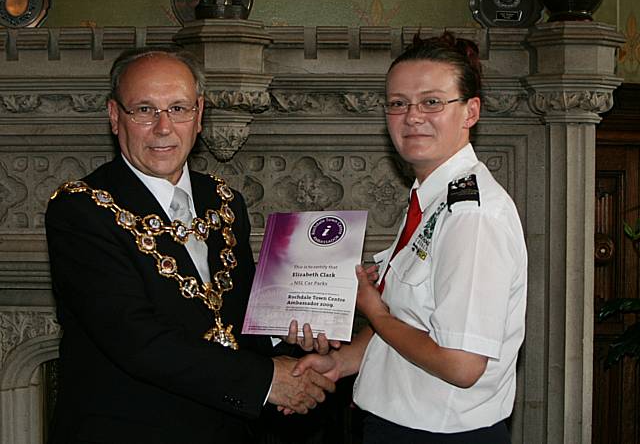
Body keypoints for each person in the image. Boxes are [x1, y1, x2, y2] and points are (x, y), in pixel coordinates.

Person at [45, 46, 335, 444]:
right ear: (115, 116)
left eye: (178, 108)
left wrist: (290, 329)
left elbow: (236, 319)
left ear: (199, 115)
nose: (163, 127)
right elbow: (136, 339)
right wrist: (268, 381)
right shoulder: (80, 208)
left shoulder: (225, 201)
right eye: (144, 110)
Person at [293, 32, 528, 443]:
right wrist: (344, 361)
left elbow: (461, 365)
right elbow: (415, 318)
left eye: (432, 102)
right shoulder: (431, 198)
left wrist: (375, 311)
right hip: (397, 426)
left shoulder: (472, 216)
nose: (412, 116)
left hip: (439, 435)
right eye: (398, 103)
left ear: (471, 111)